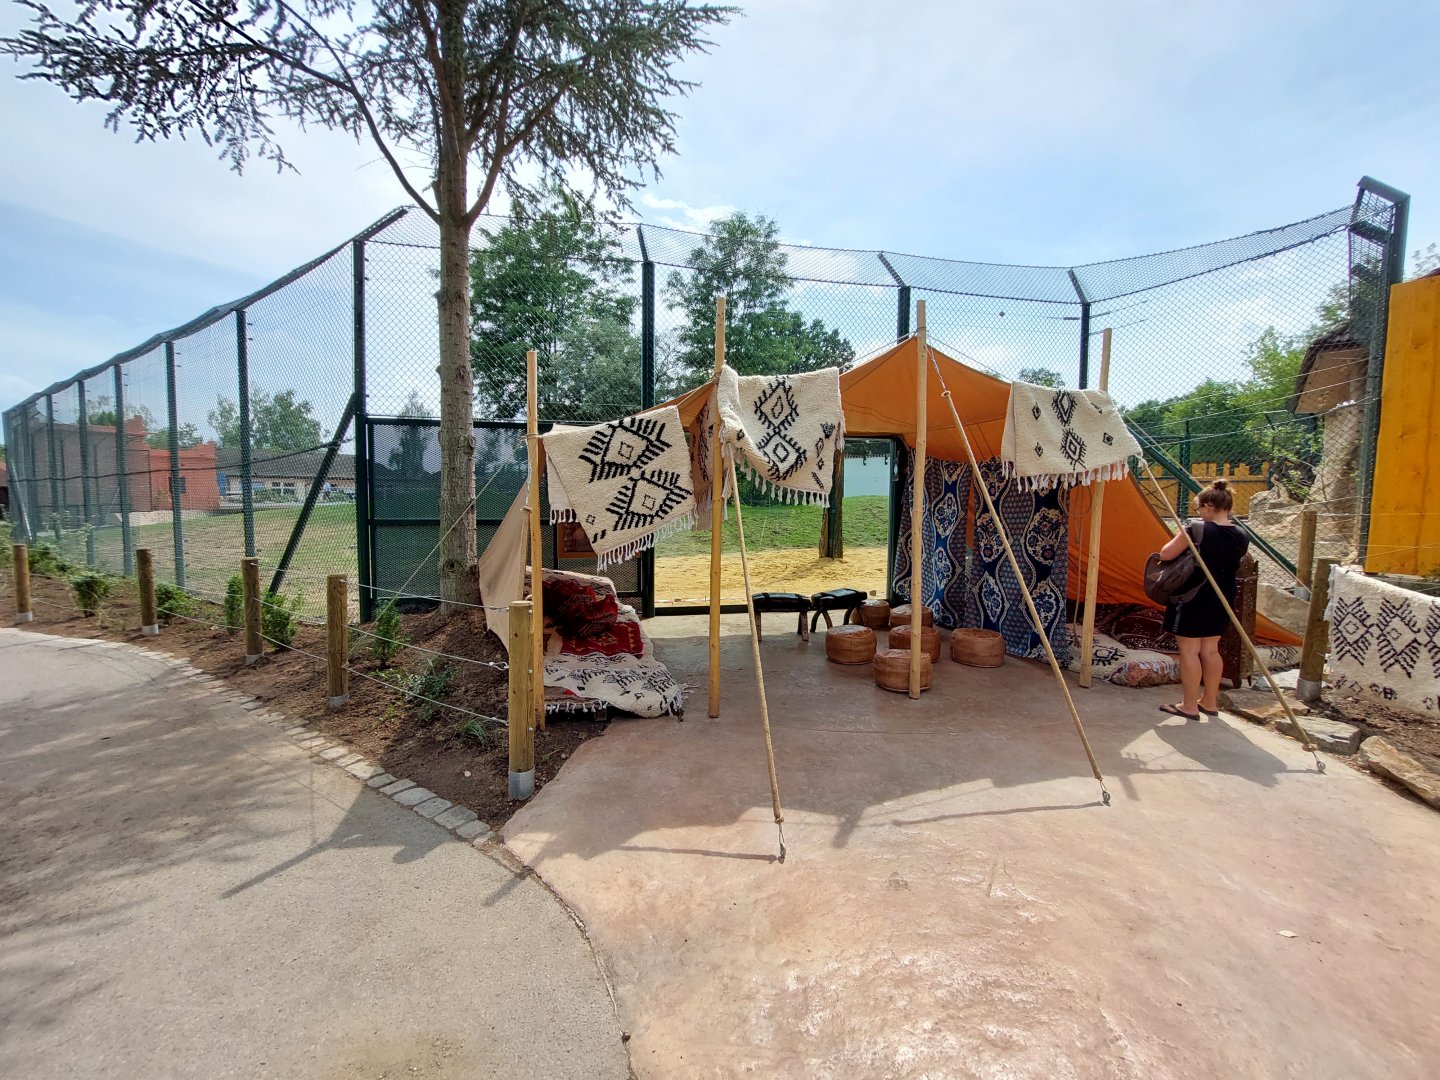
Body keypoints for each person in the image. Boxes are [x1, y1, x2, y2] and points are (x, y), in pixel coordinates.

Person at [1157, 479, 1249, 721]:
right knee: (1210, 649)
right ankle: (1209, 700)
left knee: (1189, 650)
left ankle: (1189, 705)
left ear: (1209, 506)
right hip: (1223, 594)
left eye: (1199, 508)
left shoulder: (1197, 529)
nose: (1199, 513)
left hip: (1193, 594)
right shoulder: (1241, 534)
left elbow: (1166, 553)